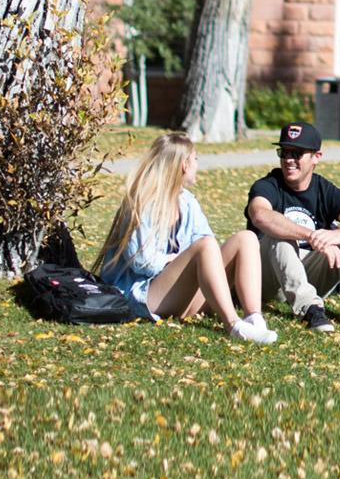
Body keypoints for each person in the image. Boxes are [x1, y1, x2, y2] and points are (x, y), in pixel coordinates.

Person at [93, 132, 277, 343]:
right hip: (144, 298)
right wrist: (175, 260)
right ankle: (234, 325)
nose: (198, 165)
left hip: (182, 297)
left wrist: (187, 260)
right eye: (195, 159)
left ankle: (255, 319)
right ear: (184, 164)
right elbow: (143, 263)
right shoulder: (142, 202)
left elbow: (207, 245)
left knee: (246, 238)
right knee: (206, 247)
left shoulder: (187, 202)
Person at [244, 122, 340, 333]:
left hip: (307, 274)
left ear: (316, 157)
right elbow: (260, 215)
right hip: (266, 278)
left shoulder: (325, 190)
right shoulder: (268, 185)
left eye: (297, 154)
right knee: (278, 236)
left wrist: (338, 235)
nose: (288, 160)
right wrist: (314, 236)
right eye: (284, 152)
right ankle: (310, 309)